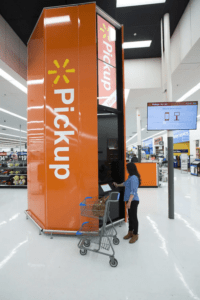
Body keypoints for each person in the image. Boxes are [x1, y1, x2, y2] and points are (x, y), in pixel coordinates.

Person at [113, 162, 141, 244]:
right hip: (129, 200)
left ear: (130, 169)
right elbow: (125, 184)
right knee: (130, 218)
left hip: (133, 201)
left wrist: (129, 202)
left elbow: (133, 191)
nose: (126, 169)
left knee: (134, 218)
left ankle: (135, 234)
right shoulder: (130, 177)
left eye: (127, 168)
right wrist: (117, 185)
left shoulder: (134, 178)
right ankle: (130, 232)